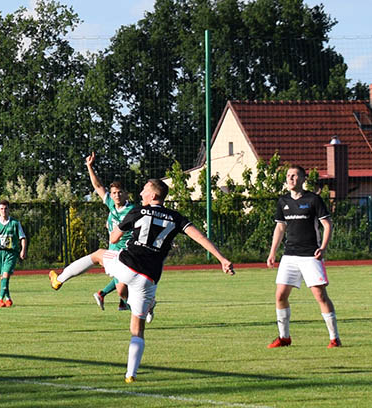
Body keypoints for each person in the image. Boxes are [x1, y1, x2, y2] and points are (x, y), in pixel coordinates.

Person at [49, 178, 234, 382]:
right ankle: (131, 375)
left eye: (144, 190)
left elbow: (114, 239)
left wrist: (120, 228)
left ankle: (59, 279)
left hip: (128, 264)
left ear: (153, 195)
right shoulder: (176, 217)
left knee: (98, 254)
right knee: (137, 329)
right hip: (149, 278)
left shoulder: (138, 211)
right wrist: (222, 259)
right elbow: (199, 237)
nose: (140, 194)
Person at [266, 164, 341, 348]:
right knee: (280, 296)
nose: (290, 179)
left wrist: (323, 248)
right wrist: (272, 252)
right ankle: (284, 337)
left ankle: (334, 338)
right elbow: (280, 227)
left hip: (310, 256)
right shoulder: (283, 201)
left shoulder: (313, 199)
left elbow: (327, 225)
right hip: (289, 256)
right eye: (288, 176)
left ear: (303, 179)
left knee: (320, 296)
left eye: (294, 175)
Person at [85, 152, 136, 313]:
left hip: (127, 248)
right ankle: (107, 296)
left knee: (126, 278)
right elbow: (98, 186)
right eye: (114, 193)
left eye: (119, 192)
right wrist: (89, 166)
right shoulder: (111, 204)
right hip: (115, 249)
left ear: (125, 193)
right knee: (125, 279)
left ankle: (121, 302)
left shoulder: (132, 210)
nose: (116, 195)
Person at [0, 199, 28, 308]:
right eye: (1, 209)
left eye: (6, 209)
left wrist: (23, 249)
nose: (3, 211)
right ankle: (8, 299)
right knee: (3, 277)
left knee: (6, 274)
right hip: (0, 253)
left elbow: (22, 237)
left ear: (9, 210)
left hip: (11, 253)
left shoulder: (15, 223)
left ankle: (0, 299)